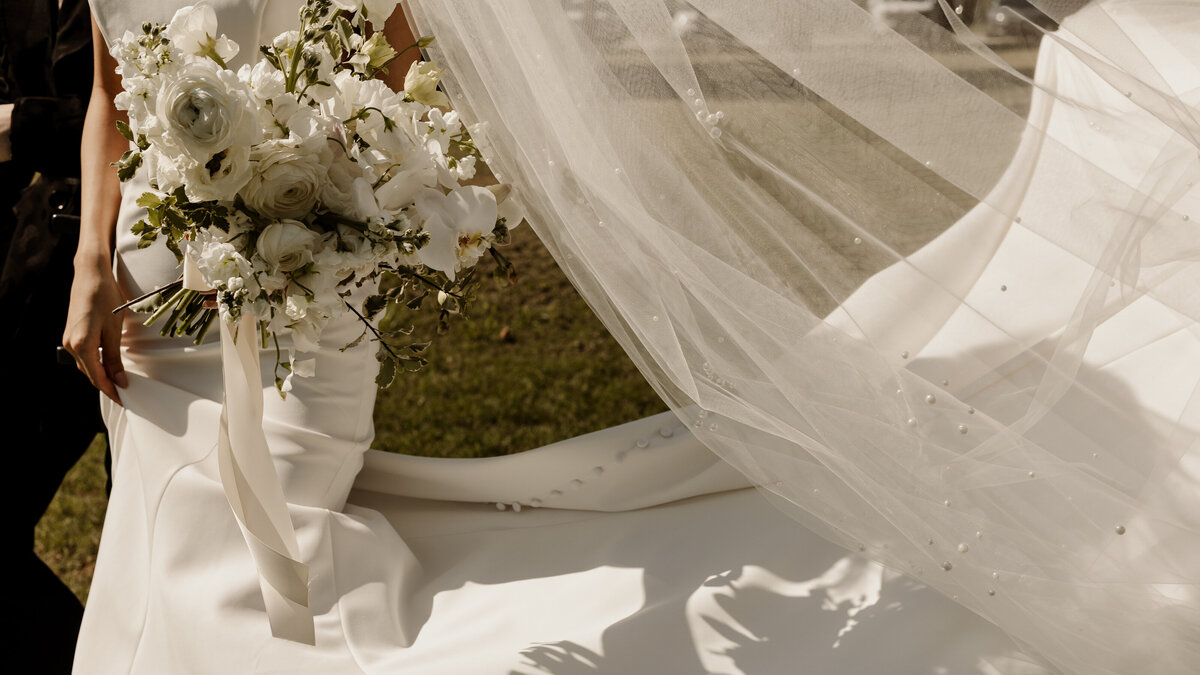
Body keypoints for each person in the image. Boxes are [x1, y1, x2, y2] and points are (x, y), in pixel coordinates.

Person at [69, 1, 1199, 673]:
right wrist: (88, 265)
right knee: (166, 525)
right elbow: (110, 92)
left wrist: (312, 195)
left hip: (300, 271)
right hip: (144, 279)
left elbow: (391, 52)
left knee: (269, 551)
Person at [1, 0, 103, 670]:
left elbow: (132, 115)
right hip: (29, 273)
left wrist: (20, 125)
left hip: (139, 278)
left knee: (152, 532)